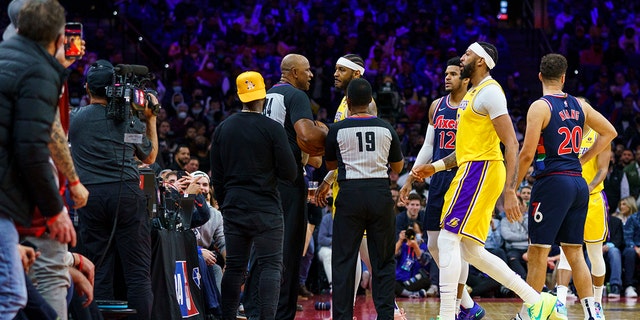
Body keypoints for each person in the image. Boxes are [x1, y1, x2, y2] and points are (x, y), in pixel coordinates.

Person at [411, 42, 564, 320]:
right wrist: (433, 167)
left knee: (446, 239)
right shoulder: (474, 93)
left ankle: (447, 314)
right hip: (471, 167)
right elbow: (466, 148)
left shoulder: (491, 92)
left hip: (481, 171)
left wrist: (511, 190)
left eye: (468, 54)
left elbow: (511, 143)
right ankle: (536, 300)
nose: (462, 57)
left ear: (481, 61)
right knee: (471, 251)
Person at [516, 53, 616, 319]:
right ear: (563, 77)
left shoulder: (540, 106)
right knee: (575, 252)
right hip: (578, 183)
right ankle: (592, 312)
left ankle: (528, 314)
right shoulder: (579, 106)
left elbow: (527, 154)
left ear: (540, 76)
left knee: (537, 251)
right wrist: (583, 158)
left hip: (552, 182)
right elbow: (610, 132)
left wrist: (511, 187)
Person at [0, 0, 77, 317]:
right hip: (9, 201)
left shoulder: (7, 56)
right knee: (11, 298)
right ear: (60, 38)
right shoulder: (39, 71)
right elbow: (32, 148)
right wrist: (55, 209)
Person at [69, 59, 159, 319]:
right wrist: (150, 119)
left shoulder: (74, 119)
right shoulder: (128, 118)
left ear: (87, 88)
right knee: (138, 273)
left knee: (99, 269)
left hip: (90, 197)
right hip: (126, 196)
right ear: (115, 88)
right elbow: (149, 158)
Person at [399, 56, 485, 319]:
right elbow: (428, 145)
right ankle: (468, 305)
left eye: (453, 74)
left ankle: (455, 305)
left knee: (458, 246)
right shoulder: (437, 106)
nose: (446, 77)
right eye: (445, 73)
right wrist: (411, 178)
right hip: (438, 178)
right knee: (434, 243)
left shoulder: (474, 106)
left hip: (463, 177)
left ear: (466, 78)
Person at [243, 54, 327, 320]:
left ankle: (255, 308)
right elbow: (306, 136)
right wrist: (329, 132)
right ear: (293, 72)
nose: (311, 75)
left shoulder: (265, 96)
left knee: (261, 246)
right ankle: (282, 312)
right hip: (288, 181)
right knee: (289, 248)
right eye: (307, 70)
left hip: (262, 180)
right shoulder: (296, 96)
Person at [211, 71, 297, 320]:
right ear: (263, 95)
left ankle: (228, 317)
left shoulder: (223, 128)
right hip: (266, 207)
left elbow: (217, 176)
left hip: (234, 206)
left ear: (240, 96)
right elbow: (290, 173)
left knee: (235, 266)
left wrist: (226, 203)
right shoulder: (273, 128)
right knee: (271, 267)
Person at [324, 78, 404, 320]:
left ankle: (342, 317)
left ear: (347, 101)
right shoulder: (386, 128)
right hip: (380, 194)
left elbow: (330, 165)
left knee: (344, 260)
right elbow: (398, 167)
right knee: (383, 260)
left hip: (349, 195)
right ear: (371, 101)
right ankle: (385, 315)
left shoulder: (336, 129)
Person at [555, 118, 612, 307]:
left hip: (593, 198)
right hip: (568, 199)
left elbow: (603, 169)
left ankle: (596, 302)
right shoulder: (565, 136)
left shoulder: (600, 136)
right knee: (565, 252)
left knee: (595, 254)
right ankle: (560, 302)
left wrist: (586, 188)